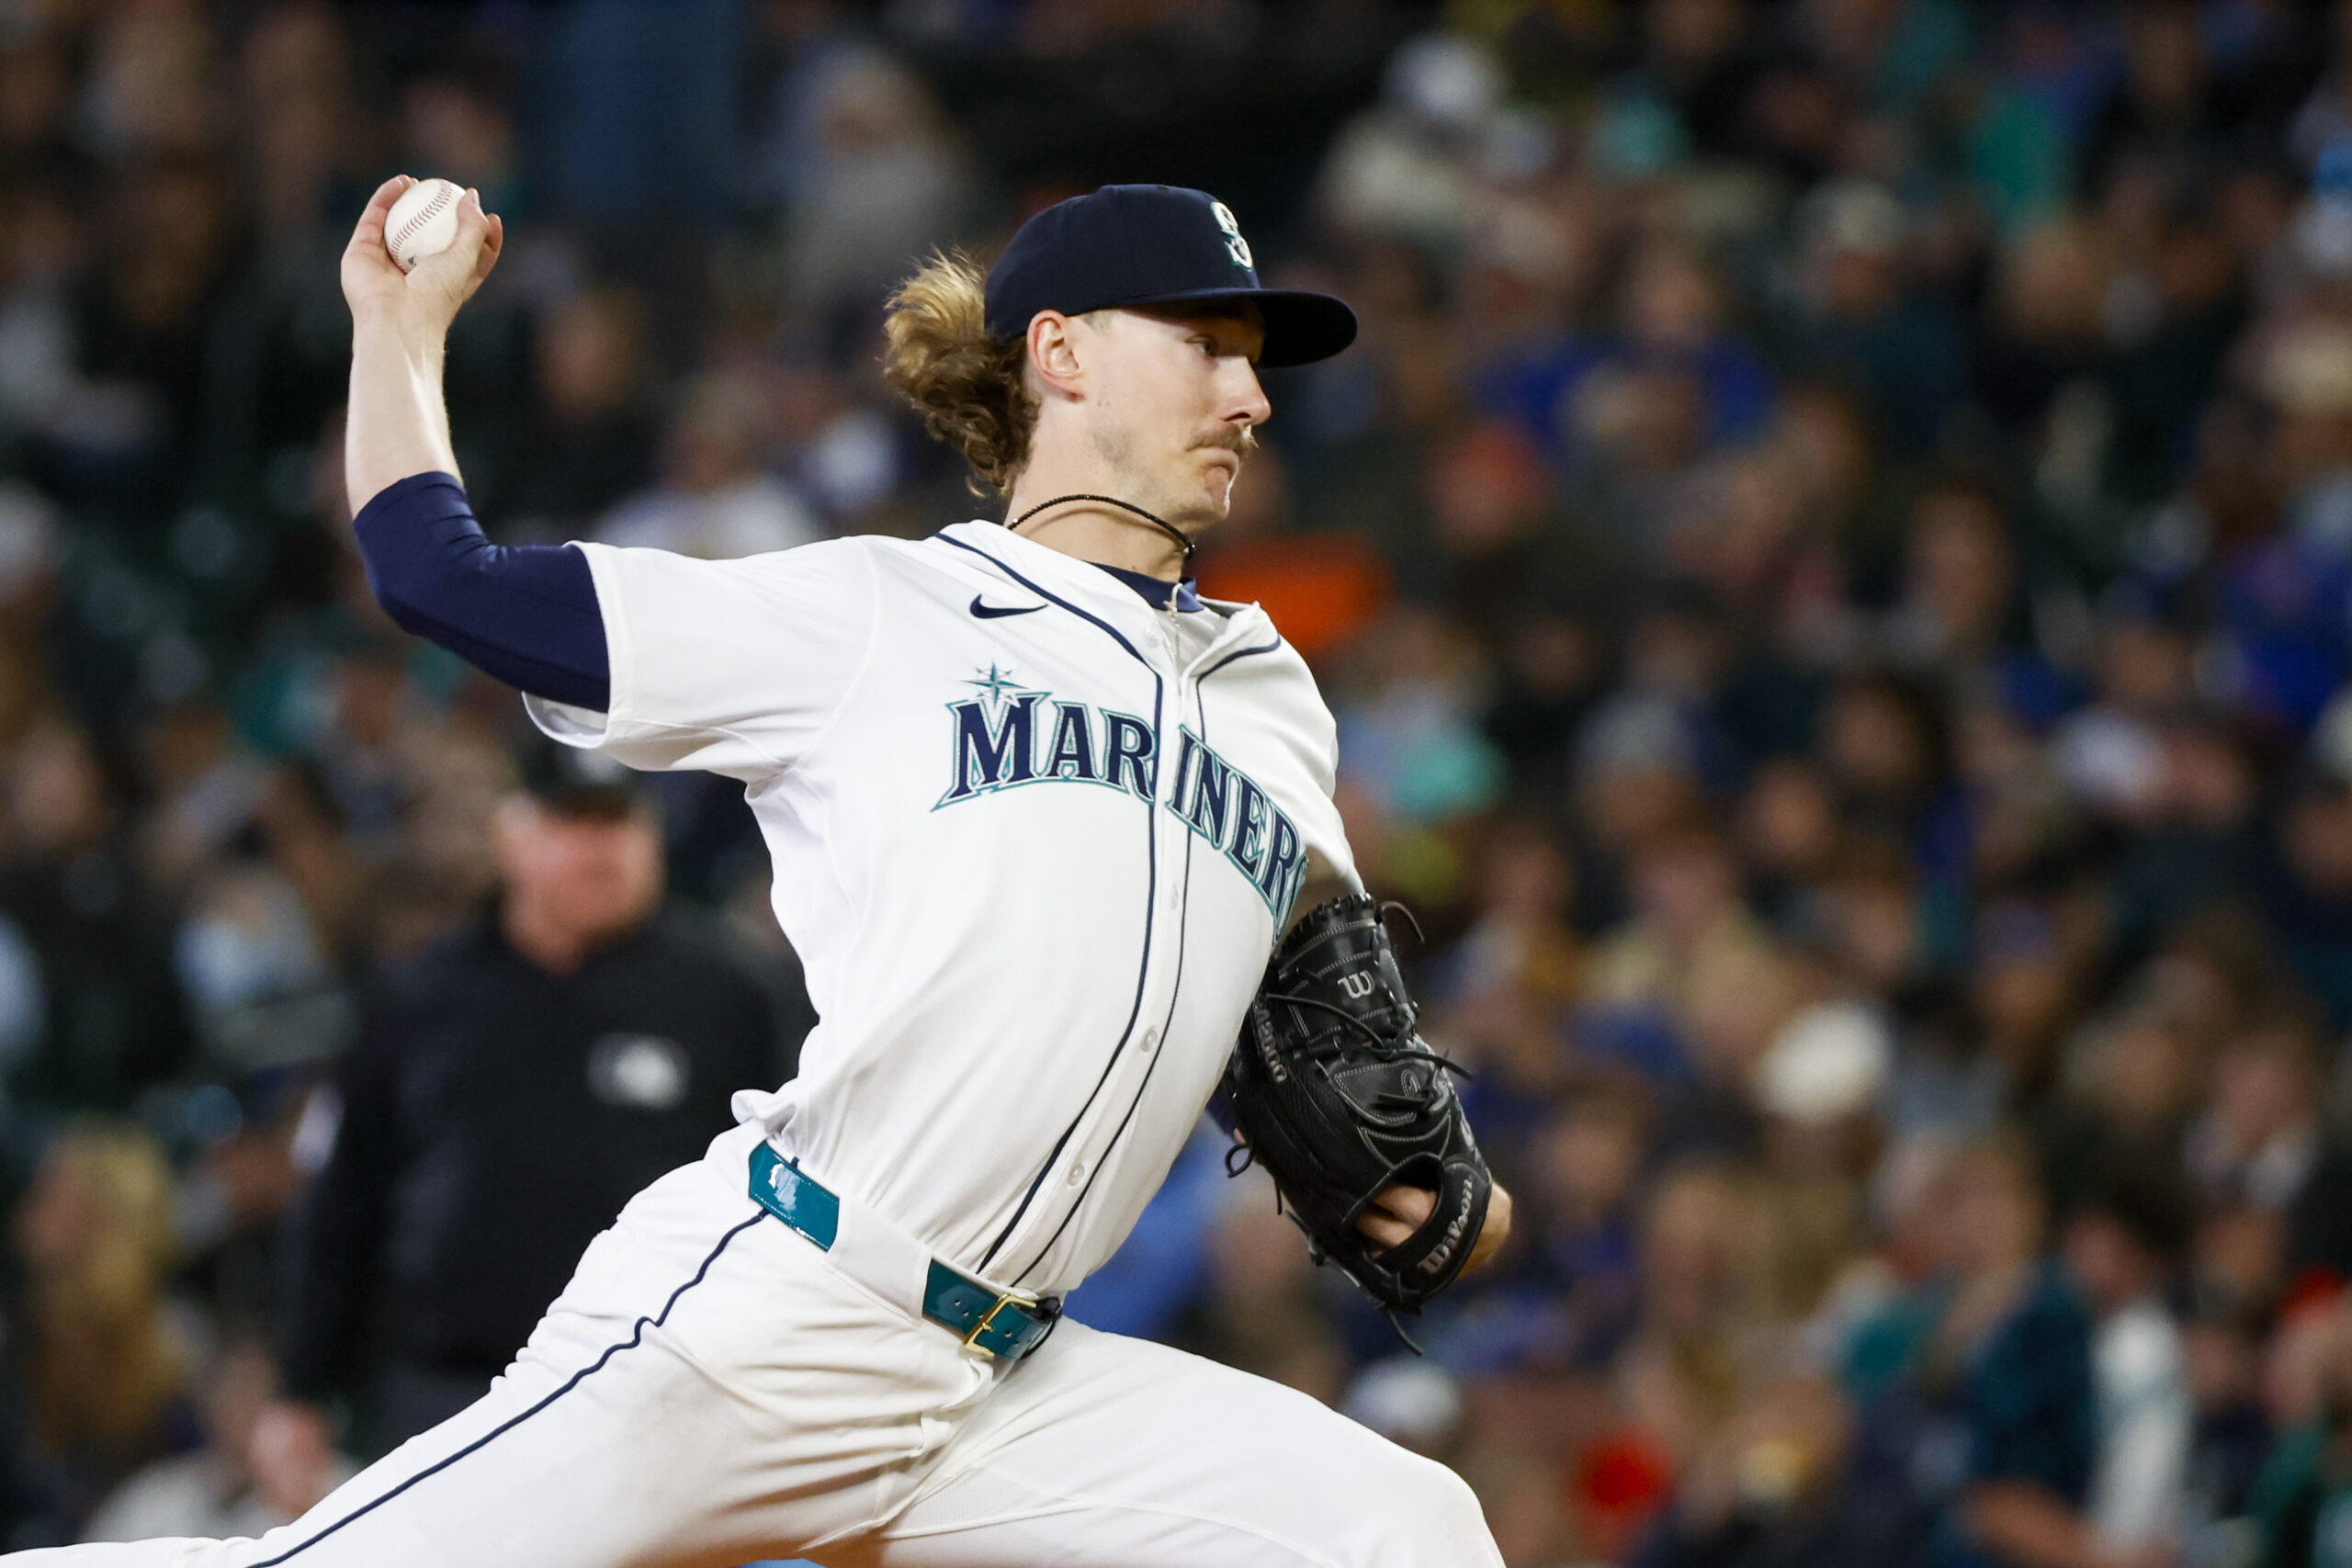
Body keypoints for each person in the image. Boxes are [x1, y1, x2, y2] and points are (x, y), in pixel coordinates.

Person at [6, 179, 1512, 1565]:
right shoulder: (878, 612)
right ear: (1060, 351)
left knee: (1400, 1527)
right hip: (782, 1316)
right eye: (1210, 346)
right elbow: (435, 574)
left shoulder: (1272, 702)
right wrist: (400, 326)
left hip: (1005, 1388)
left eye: (1257, 361)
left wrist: (1412, 1177)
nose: (1252, 394)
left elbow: (1299, 1030)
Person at [275, 753, 798, 1452]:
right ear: (511, 833)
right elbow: (346, 1200)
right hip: (451, 1392)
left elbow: (788, 1193)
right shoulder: (422, 997)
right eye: (573, 821)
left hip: (663, 1392)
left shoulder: (733, 994)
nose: (601, 849)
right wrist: (300, 1391)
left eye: (619, 821)